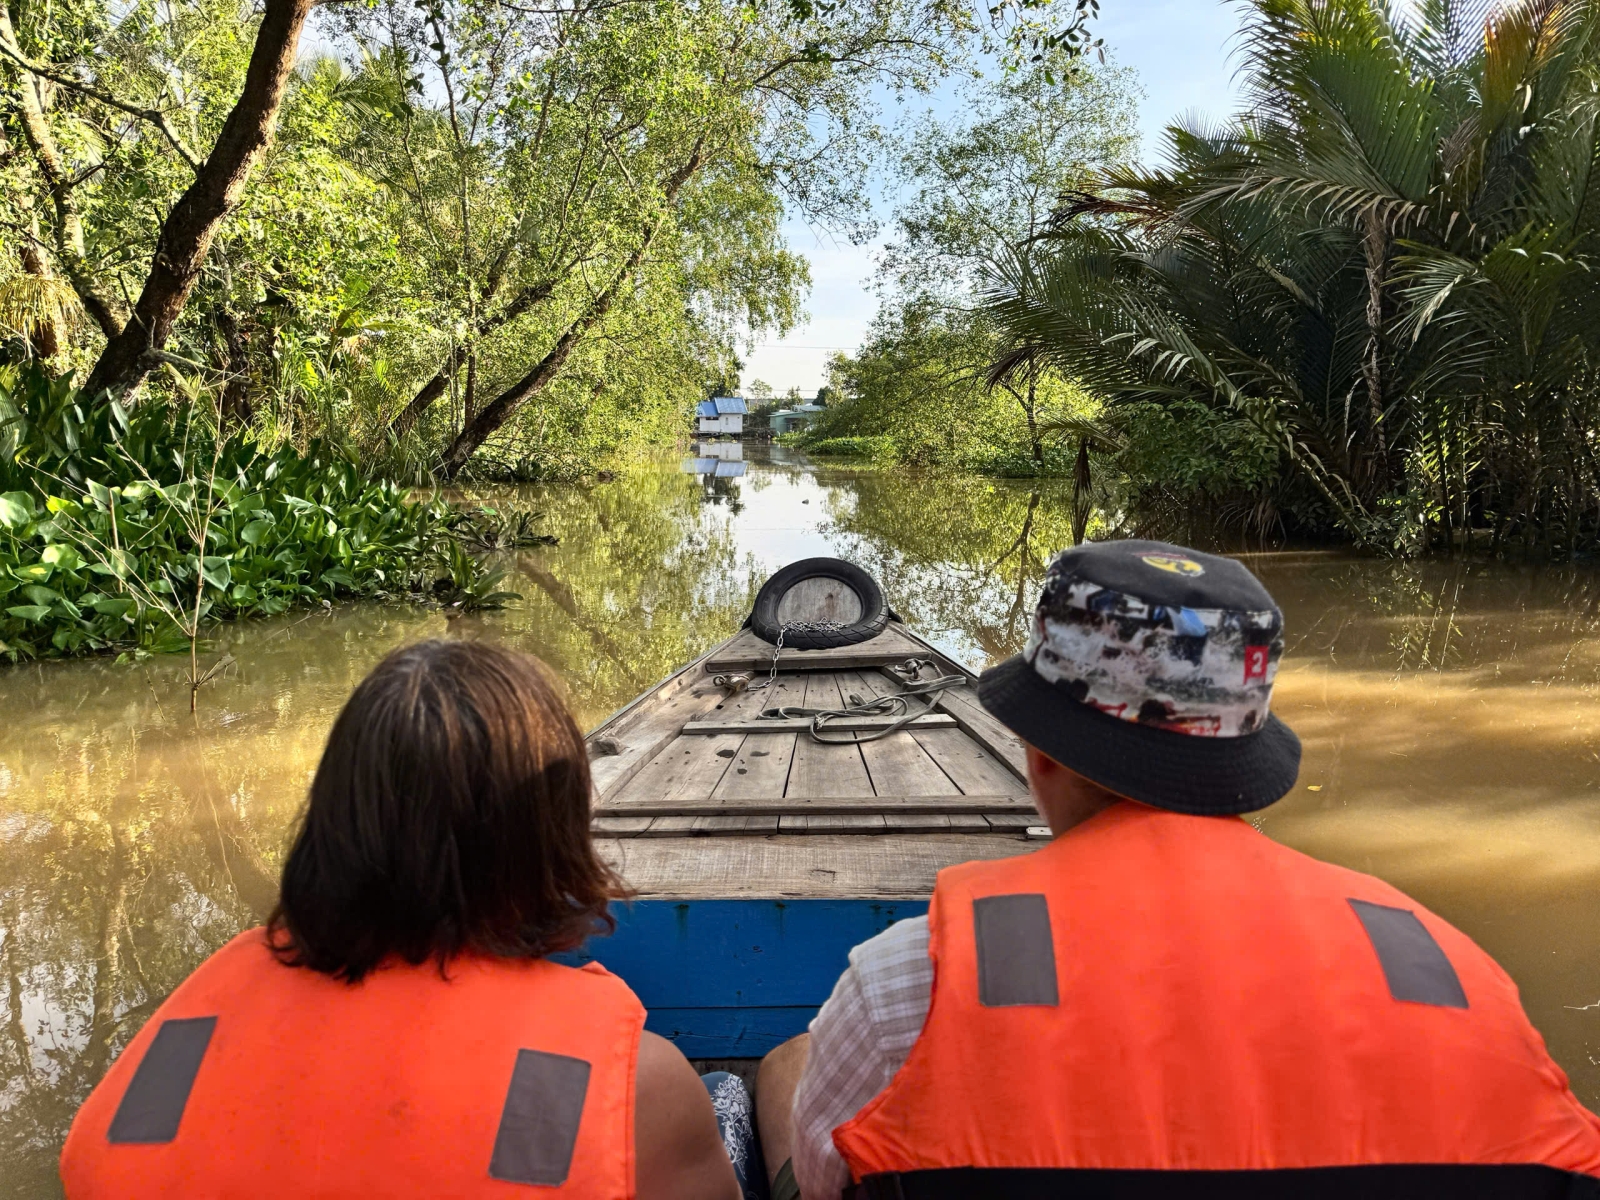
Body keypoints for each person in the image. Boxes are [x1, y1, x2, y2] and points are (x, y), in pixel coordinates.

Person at [756, 539, 1600, 1199]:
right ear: (1244, 762)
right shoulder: (1453, 969)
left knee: (787, 1063)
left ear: (1039, 754)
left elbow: (834, 1183)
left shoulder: (912, 976)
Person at [60, 639, 741, 1200]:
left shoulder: (183, 1037)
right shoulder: (636, 1086)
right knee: (726, 1093)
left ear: (332, 820)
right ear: (547, 841)